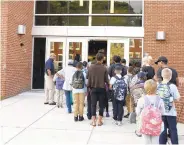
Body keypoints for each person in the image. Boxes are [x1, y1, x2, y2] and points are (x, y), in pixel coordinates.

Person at [136, 79, 165, 145]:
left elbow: (138, 112)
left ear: (145, 88)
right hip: (156, 124)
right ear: (156, 88)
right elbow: (163, 112)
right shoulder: (160, 100)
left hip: (145, 124)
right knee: (156, 141)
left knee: (145, 141)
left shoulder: (142, 99)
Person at [158, 68, 180, 145]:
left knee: (162, 129)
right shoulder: (173, 86)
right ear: (170, 76)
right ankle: (174, 143)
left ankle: (162, 143)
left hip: (160, 112)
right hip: (171, 112)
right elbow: (177, 98)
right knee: (173, 129)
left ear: (161, 76)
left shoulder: (158, 85)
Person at [87, 53, 109, 126]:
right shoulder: (104, 68)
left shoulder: (91, 67)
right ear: (102, 59)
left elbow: (87, 76)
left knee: (93, 105)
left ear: (96, 58)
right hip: (102, 88)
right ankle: (99, 121)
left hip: (93, 88)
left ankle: (93, 121)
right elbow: (106, 80)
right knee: (101, 105)